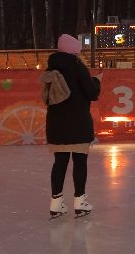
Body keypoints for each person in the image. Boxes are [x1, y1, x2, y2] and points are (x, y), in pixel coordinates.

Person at [43, 33, 101, 218]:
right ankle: (80, 202)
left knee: (60, 162)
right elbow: (92, 93)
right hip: (78, 124)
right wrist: (98, 80)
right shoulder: (78, 68)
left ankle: (56, 204)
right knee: (80, 162)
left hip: (56, 124)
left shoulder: (51, 69)